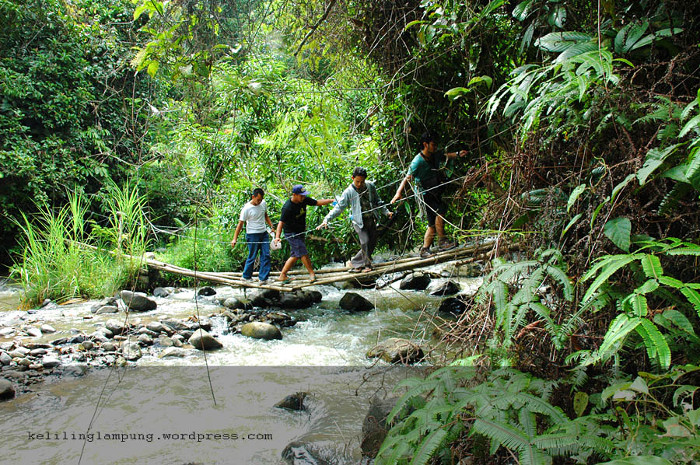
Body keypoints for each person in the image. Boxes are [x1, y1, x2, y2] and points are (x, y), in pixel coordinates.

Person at [390, 131, 467, 258]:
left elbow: (445, 156)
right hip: (425, 193)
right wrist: (398, 193)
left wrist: (458, 154)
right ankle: (442, 241)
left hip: (434, 190)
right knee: (440, 211)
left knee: (432, 223)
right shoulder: (417, 161)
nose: (435, 147)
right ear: (425, 144)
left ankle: (425, 249)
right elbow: (407, 178)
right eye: (433, 144)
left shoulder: (433, 155)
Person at [317, 167, 393, 272]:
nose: (359, 184)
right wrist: (326, 219)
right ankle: (367, 265)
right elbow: (339, 207)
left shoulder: (370, 186)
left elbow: (378, 201)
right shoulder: (348, 192)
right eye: (357, 181)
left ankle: (355, 263)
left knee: (373, 242)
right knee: (365, 241)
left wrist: (386, 212)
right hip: (358, 222)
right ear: (353, 178)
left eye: (362, 181)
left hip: (371, 219)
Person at [273, 185, 334, 283]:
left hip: (300, 231)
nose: (303, 197)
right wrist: (277, 237)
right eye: (301, 196)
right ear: (294, 195)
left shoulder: (304, 200)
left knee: (295, 254)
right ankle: (311, 274)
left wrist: (331, 200)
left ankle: (283, 275)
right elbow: (281, 223)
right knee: (302, 251)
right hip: (291, 233)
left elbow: (317, 202)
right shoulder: (287, 207)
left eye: (304, 195)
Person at [231, 188, 274, 283]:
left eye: (261, 200)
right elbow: (240, 224)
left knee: (266, 254)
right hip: (252, 234)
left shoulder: (263, 204)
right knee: (252, 255)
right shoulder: (246, 209)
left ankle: (263, 278)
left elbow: (265, 215)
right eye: (258, 199)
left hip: (263, 233)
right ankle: (246, 276)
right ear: (253, 197)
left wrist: (271, 226)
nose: (259, 202)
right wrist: (235, 239)